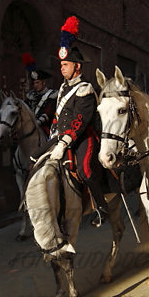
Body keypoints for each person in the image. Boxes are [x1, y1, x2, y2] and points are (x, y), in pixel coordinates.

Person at [47, 16, 108, 227]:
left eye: (66, 65)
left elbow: (79, 121)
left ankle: (102, 208)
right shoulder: (63, 87)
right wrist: (54, 134)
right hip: (61, 136)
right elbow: (60, 115)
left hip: (82, 137)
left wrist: (64, 142)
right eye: (61, 65)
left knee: (84, 170)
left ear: (77, 67)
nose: (62, 68)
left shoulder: (85, 89)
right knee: (34, 159)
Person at [23, 53, 57, 137]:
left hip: (45, 128)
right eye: (34, 83)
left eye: (37, 83)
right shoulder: (30, 95)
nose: (35, 85)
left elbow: (49, 112)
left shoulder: (52, 95)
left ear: (44, 82)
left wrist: (38, 122)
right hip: (30, 127)